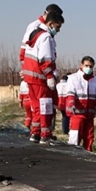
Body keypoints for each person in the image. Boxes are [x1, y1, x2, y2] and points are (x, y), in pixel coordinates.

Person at [21, 12, 63, 144]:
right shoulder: (46, 37)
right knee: (45, 107)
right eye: (57, 27)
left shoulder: (34, 33)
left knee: (36, 107)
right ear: (50, 24)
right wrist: (50, 76)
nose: (58, 30)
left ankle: (36, 133)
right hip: (40, 78)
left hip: (30, 77)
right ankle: (45, 135)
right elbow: (45, 59)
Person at [64, 56, 96, 150]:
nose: (88, 68)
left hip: (89, 115)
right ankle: (73, 158)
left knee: (89, 138)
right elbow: (70, 94)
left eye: (91, 66)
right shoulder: (73, 78)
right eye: (86, 65)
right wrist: (71, 105)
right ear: (81, 65)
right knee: (75, 138)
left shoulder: (95, 80)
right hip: (77, 114)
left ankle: (88, 158)